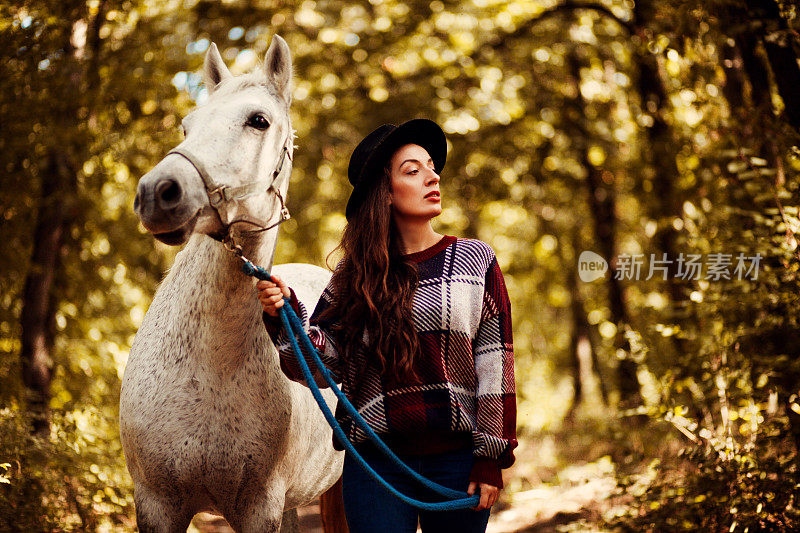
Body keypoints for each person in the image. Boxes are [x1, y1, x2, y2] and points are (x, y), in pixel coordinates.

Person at [257, 118, 517, 533]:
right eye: (413, 170)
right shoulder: (352, 277)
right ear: (386, 193)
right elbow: (324, 366)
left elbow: (495, 364)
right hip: (375, 463)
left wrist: (491, 458)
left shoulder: (476, 260)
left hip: (457, 462)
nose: (433, 176)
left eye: (432, 166)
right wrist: (284, 317)